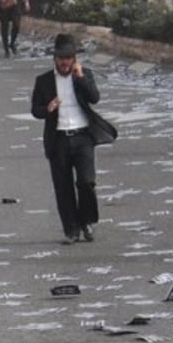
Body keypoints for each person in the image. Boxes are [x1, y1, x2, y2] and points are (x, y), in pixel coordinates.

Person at [30, 34, 116, 244]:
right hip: (58, 139)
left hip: (82, 137)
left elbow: (94, 97)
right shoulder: (44, 81)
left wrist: (80, 78)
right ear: (55, 58)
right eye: (61, 58)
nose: (65, 62)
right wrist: (47, 109)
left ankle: (87, 221)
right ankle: (71, 230)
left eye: (69, 58)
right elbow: (35, 110)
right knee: (63, 187)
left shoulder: (83, 74)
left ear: (74, 59)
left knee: (87, 182)